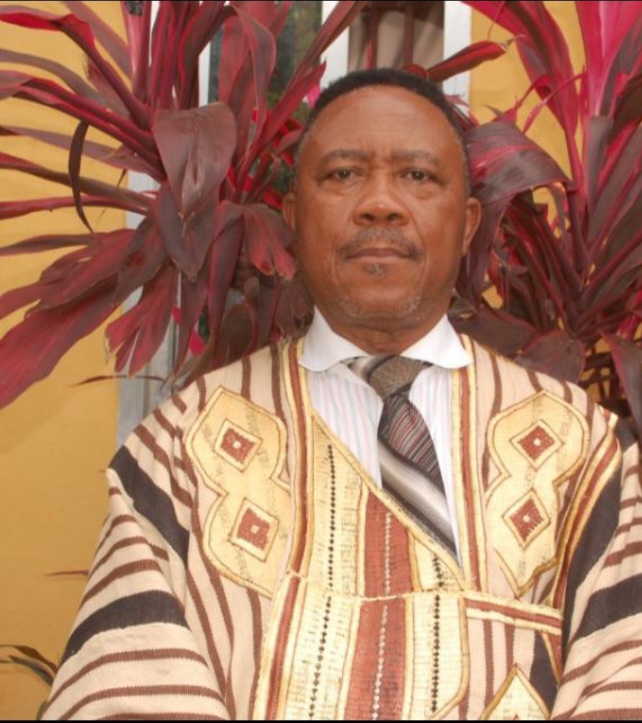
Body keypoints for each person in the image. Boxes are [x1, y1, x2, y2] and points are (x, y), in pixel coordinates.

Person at [43, 68, 642, 720]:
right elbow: (124, 693)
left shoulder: (584, 454)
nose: (379, 203)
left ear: (468, 223)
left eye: (418, 176)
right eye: (343, 174)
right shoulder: (179, 453)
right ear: (295, 217)